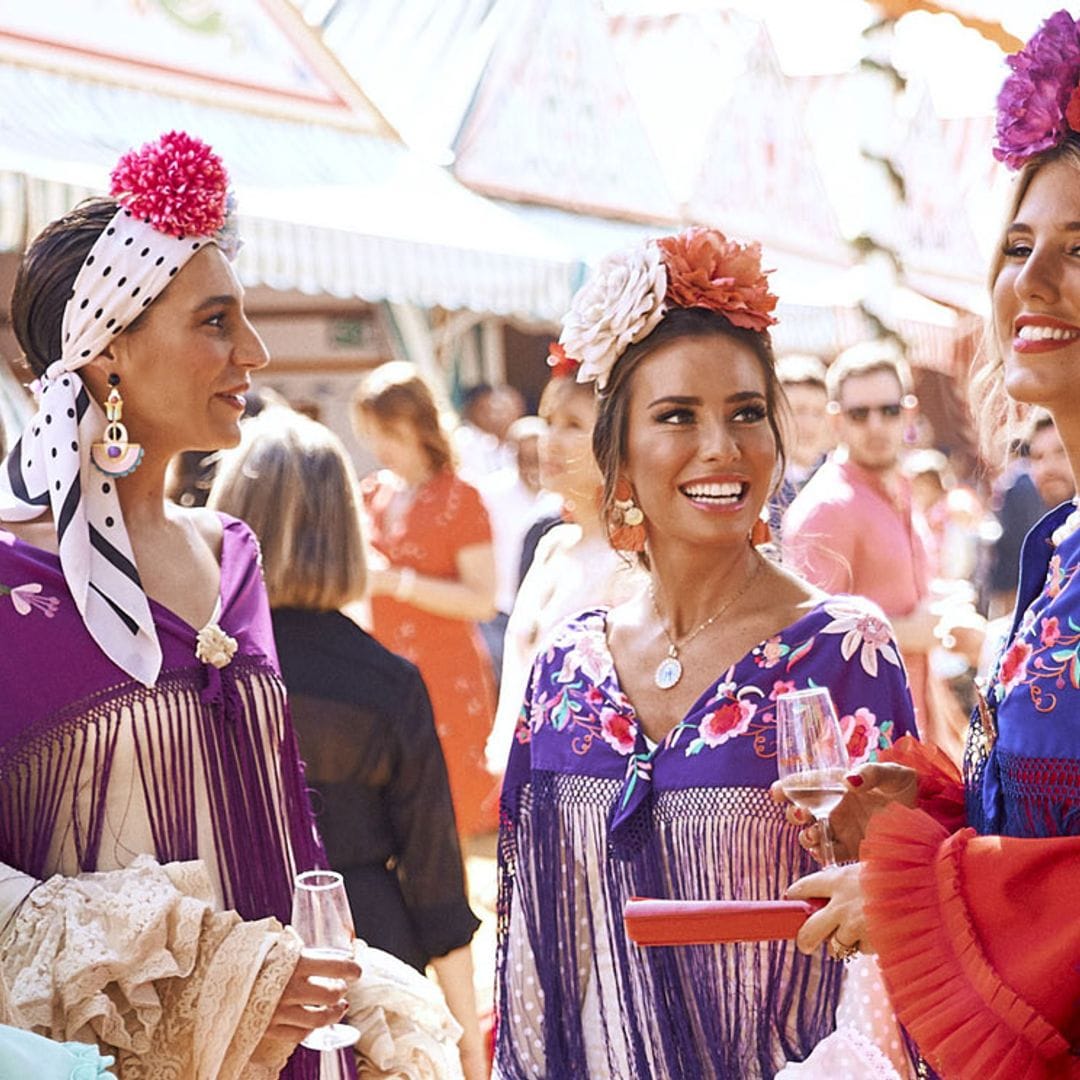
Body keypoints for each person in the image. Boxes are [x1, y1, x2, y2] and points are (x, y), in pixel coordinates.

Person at [0, 132, 456, 1079]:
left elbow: (286, 826)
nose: (252, 352)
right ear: (108, 352)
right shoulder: (10, 588)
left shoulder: (234, 554)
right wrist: (206, 973)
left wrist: (346, 997)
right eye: (216, 321)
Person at [494, 227, 918, 1079]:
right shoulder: (565, 671)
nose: (721, 445)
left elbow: (895, 941)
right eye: (677, 415)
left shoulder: (844, 652)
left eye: (747, 413)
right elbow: (534, 950)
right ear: (618, 457)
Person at [783, 15, 1080, 1078]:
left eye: (1079, 248)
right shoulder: (1062, 543)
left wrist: (921, 891)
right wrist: (937, 810)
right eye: (1016, 246)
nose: (1032, 282)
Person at [209, 408, 488, 1080]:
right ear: (345, 530)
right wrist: (469, 1047)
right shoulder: (387, 682)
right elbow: (435, 881)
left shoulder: (195, 665)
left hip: (228, 961)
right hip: (366, 968)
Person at [782, 346, 957, 750]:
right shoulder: (827, 508)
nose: (876, 425)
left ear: (909, 413)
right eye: (859, 414)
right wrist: (908, 632)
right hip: (863, 760)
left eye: (889, 410)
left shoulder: (900, 492)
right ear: (837, 420)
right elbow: (805, 645)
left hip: (915, 741)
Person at [354, 362, 499, 838]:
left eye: (390, 433)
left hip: (446, 673)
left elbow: (482, 599)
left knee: (452, 814)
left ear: (422, 426)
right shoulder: (372, 492)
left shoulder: (460, 496)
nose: (381, 448)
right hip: (381, 667)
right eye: (373, 435)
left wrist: (396, 582)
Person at [484, 345, 641, 775]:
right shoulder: (552, 545)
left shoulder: (632, 564)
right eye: (549, 421)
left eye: (573, 424)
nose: (549, 440)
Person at [475, 415, 562, 682]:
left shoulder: (560, 497)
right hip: (498, 611)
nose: (530, 464)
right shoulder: (489, 494)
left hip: (548, 614)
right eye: (523, 456)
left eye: (536, 455)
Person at [769, 353, 833, 535]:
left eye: (818, 412)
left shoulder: (839, 479)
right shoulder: (761, 483)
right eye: (798, 411)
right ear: (774, 413)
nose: (809, 423)